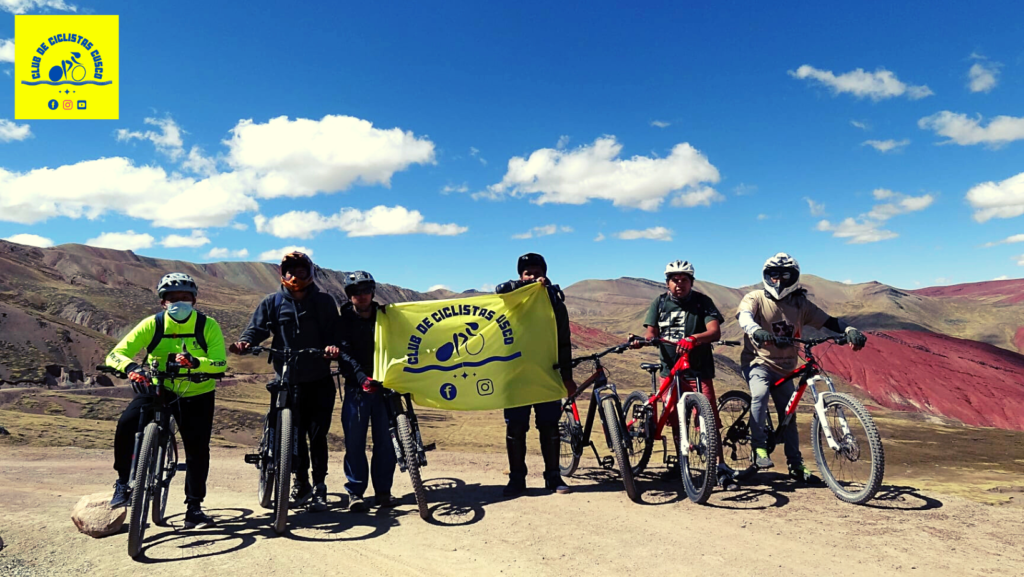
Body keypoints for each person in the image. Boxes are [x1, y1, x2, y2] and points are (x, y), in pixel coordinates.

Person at [230, 251, 371, 512]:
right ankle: (300, 481)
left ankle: (319, 486)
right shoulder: (271, 302)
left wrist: (332, 347)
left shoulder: (324, 302)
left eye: (301, 271)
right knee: (292, 433)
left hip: (318, 378)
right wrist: (246, 342)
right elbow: (257, 328)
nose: (295, 276)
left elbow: (334, 331)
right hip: (286, 379)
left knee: (317, 436)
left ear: (310, 273)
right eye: (290, 271)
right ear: (283, 274)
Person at [106, 273, 227, 529]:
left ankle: (194, 507)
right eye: (172, 298)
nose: (178, 302)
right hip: (159, 387)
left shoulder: (208, 325)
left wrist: (196, 363)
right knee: (127, 424)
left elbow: (220, 363)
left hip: (197, 391)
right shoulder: (153, 324)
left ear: (194, 300)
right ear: (163, 302)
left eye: (184, 297)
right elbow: (117, 353)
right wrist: (131, 368)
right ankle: (123, 482)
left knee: (197, 449)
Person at [737, 253, 867, 483]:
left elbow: (829, 321)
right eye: (773, 275)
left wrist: (848, 330)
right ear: (766, 276)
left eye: (785, 275)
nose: (779, 281)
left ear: (794, 277)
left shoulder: (800, 304)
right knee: (759, 395)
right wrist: (755, 331)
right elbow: (744, 316)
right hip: (758, 362)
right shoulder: (755, 298)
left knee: (789, 416)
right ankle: (759, 449)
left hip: (786, 366)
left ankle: (795, 465)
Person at [630, 260, 736, 490]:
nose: (679, 284)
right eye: (675, 280)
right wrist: (640, 342)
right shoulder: (659, 303)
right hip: (669, 371)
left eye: (684, 280)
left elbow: (714, 331)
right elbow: (651, 333)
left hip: (698, 370)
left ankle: (720, 467)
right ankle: (682, 462)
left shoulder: (702, 302)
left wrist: (695, 338)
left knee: (708, 419)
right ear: (667, 282)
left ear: (691, 282)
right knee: (677, 420)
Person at [495, 253, 577, 497]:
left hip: (546, 374)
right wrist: (522, 287)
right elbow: (499, 290)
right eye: (527, 273)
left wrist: (567, 377)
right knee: (516, 428)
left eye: (537, 273)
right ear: (520, 276)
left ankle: (553, 477)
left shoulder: (554, 302)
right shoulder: (509, 299)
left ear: (545, 274)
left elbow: (564, 342)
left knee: (550, 427)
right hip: (515, 376)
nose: (532, 277)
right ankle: (517, 480)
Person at [337, 271, 397, 512]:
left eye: (364, 291)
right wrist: (361, 376)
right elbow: (344, 353)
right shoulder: (342, 322)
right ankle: (355, 493)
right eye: (354, 292)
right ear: (349, 296)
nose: (360, 296)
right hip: (356, 389)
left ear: (372, 292)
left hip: (386, 387)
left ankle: (383, 492)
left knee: (385, 442)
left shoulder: (387, 317)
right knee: (354, 442)